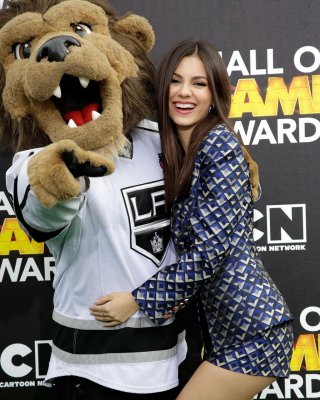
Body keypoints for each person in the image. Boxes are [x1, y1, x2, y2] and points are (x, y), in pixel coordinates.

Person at [90, 40, 294, 400]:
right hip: (222, 334)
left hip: (255, 332)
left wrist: (137, 300)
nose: (185, 93)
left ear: (215, 94)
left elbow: (207, 254)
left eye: (199, 84)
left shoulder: (218, 144)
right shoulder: (181, 150)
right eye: (176, 81)